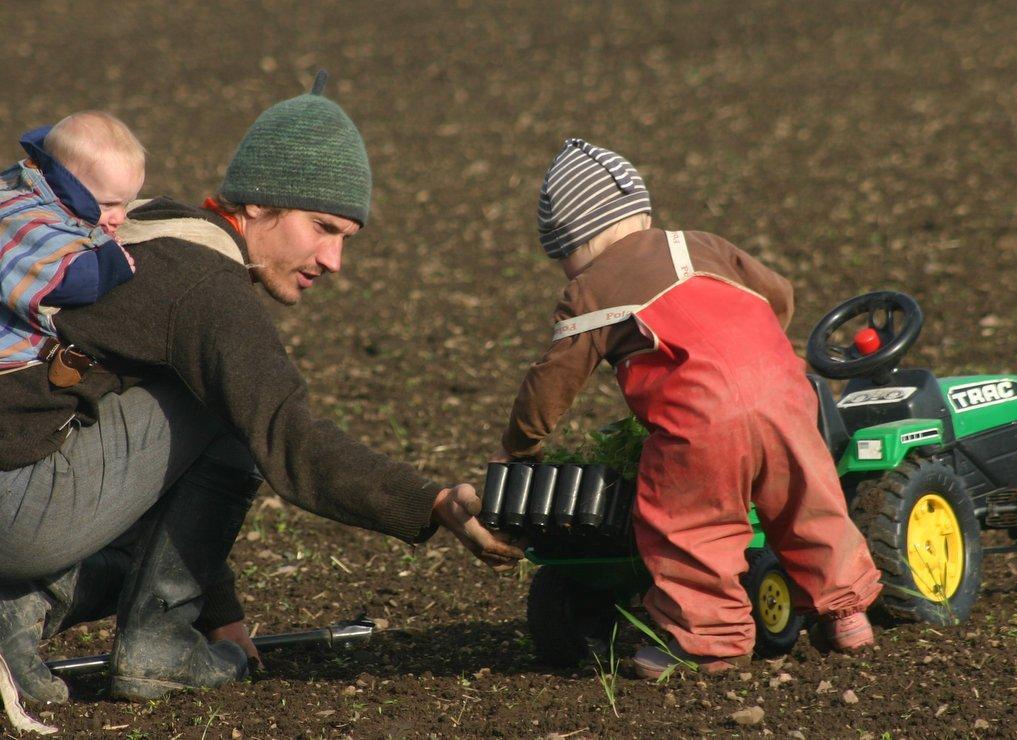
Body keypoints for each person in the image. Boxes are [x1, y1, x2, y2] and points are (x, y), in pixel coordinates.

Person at [0, 71, 521, 708]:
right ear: (258, 203)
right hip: (13, 507)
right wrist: (433, 502)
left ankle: (21, 625)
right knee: (243, 413)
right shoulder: (204, 286)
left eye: (345, 239)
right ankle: (143, 643)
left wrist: (224, 620)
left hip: (20, 478)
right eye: (323, 227)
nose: (334, 261)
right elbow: (285, 435)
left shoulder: (150, 224)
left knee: (223, 400)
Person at [493, 138, 881, 677]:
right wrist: (758, 357)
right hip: (787, 395)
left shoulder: (590, 291)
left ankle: (710, 640)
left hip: (700, 421)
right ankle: (848, 614)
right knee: (807, 502)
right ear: (641, 214)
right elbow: (780, 294)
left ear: (573, 244)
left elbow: (552, 380)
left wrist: (521, 445)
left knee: (688, 524)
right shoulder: (702, 244)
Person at [1, 111, 142, 376]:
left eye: (127, 202)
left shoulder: (34, 182)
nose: (121, 217)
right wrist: (113, 262)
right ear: (68, 182)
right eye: (109, 204)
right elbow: (67, 281)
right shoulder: (28, 222)